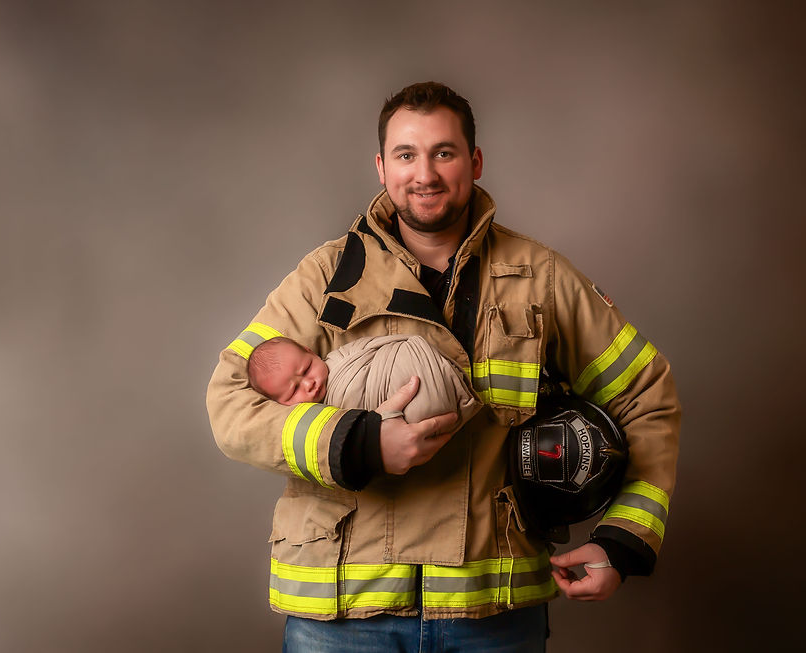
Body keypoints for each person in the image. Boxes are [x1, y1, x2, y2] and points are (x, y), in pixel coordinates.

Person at [207, 81, 681, 652]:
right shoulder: (325, 278)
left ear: (475, 161)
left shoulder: (542, 278)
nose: (424, 173)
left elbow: (646, 397)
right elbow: (231, 400)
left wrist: (622, 540)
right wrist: (354, 442)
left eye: (444, 152)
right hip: (343, 618)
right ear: (382, 167)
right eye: (406, 155)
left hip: (491, 614)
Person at [247, 334, 480, 430]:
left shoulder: (344, 356)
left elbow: (379, 346)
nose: (309, 384)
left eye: (307, 368)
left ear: (311, 352)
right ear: (281, 404)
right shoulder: (317, 420)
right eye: (294, 390)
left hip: (406, 368)